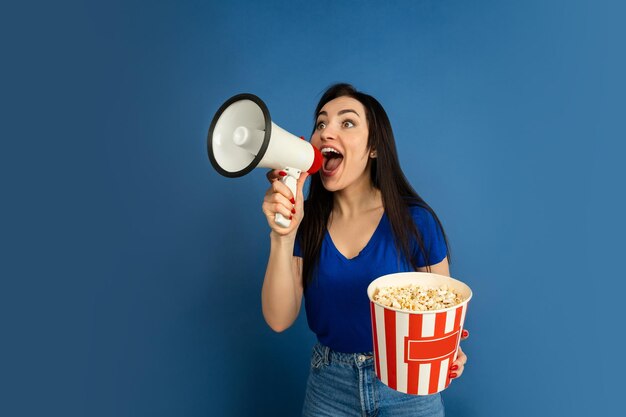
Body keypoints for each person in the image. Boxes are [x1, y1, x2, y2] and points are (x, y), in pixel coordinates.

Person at [261, 83, 468, 417]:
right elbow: (279, 319)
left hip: (407, 388)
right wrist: (282, 236)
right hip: (329, 386)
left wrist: (450, 347)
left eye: (347, 123)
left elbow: (443, 310)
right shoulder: (306, 221)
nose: (327, 132)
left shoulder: (416, 221)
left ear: (374, 147)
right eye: (320, 124)